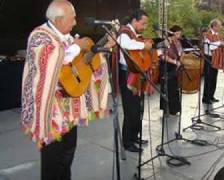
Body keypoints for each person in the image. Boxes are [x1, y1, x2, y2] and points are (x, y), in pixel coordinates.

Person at [21, 1, 113, 180]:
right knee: (52, 158)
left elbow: (77, 64)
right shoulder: (39, 35)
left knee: (68, 153)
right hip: (50, 110)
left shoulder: (68, 37)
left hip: (69, 108)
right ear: (58, 19)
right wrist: (77, 46)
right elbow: (51, 58)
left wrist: (100, 50)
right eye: (72, 19)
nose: (75, 23)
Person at [117, 9, 153, 153]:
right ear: (135, 20)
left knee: (139, 108)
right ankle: (127, 142)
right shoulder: (124, 32)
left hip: (136, 74)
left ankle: (134, 136)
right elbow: (126, 44)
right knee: (131, 110)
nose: (144, 27)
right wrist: (144, 45)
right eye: (143, 23)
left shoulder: (135, 35)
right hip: (127, 75)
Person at [159, 25, 183, 115]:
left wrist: (180, 60)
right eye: (176, 34)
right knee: (167, 88)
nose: (178, 36)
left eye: (179, 34)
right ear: (171, 33)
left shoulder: (178, 42)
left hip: (175, 66)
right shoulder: (167, 41)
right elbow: (162, 55)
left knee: (175, 88)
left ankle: (175, 109)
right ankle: (167, 109)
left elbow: (180, 53)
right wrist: (174, 62)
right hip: (167, 66)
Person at [202, 19, 224, 104]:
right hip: (209, 58)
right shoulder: (207, 35)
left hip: (215, 59)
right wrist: (220, 43)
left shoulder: (218, 35)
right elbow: (210, 47)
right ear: (214, 26)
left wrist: (223, 43)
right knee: (208, 79)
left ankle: (211, 96)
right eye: (219, 26)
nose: (220, 27)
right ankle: (206, 98)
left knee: (214, 79)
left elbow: (219, 44)